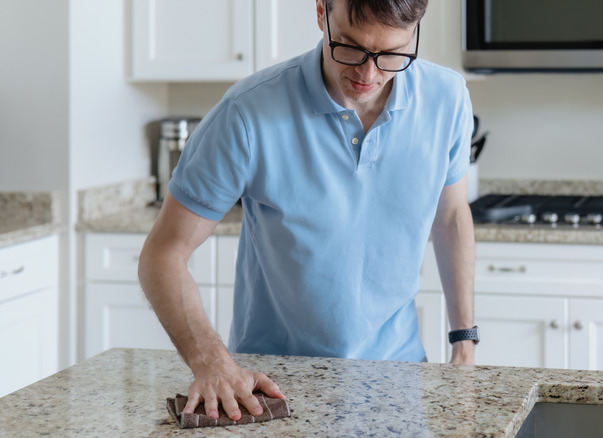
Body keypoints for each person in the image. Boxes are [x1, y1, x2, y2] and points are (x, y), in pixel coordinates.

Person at [137, 0, 475, 422]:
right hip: (276, 388)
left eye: (391, 53)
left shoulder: (448, 99)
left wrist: (464, 341)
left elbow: (452, 216)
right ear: (321, 13)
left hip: (398, 377)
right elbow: (163, 254)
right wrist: (212, 363)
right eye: (349, 47)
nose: (368, 74)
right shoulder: (247, 113)